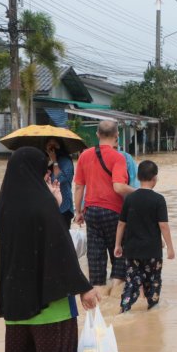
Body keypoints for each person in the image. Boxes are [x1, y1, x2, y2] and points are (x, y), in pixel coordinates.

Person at [0, 147, 100, 352]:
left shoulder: (4, 206)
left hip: (16, 309)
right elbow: (60, 248)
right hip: (51, 310)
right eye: (45, 173)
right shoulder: (43, 205)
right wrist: (84, 287)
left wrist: (52, 205)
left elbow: (31, 244)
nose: (48, 178)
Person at [74, 120, 135, 291]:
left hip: (91, 213)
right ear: (117, 135)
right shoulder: (118, 157)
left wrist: (78, 212)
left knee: (96, 259)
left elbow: (79, 187)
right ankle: (115, 294)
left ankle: (98, 299)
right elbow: (119, 187)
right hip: (113, 213)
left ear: (97, 134)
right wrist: (140, 193)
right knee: (120, 254)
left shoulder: (84, 155)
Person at [114, 160, 175, 312]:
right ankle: (152, 310)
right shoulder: (158, 199)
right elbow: (163, 225)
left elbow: (121, 224)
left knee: (131, 282)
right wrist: (170, 248)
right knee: (153, 281)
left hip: (132, 250)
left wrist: (117, 245)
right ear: (155, 178)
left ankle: (125, 308)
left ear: (139, 177)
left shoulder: (130, 198)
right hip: (152, 251)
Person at [44, 137, 75, 227]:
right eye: (49, 145)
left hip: (64, 207)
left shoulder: (66, 161)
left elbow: (59, 179)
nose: (51, 148)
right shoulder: (45, 161)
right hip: (49, 206)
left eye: (54, 145)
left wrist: (54, 161)